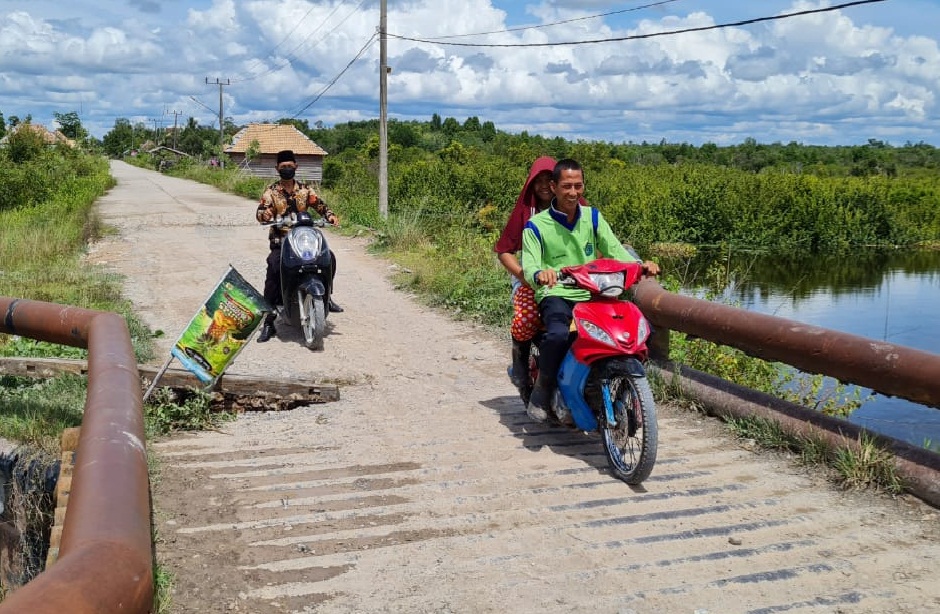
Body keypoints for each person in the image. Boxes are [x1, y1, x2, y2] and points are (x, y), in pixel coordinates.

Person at [521, 158, 660, 422]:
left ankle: (627, 389)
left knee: (640, 330)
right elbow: (530, 265)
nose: (573, 193)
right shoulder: (536, 226)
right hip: (557, 293)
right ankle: (542, 390)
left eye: (578, 186)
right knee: (559, 334)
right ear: (553, 187)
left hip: (593, 293)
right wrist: (541, 274)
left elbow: (616, 250)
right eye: (566, 186)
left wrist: (641, 266)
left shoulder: (593, 217)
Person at [255, 149, 343, 343]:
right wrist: (266, 215)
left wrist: (330, 216)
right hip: (282, 242)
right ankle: (269, 321)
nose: (287, 169)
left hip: (305, 240)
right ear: (277, 168)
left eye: (290, 166)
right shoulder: (271, 192)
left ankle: (326, 297)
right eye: (283, 167)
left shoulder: (305, 190)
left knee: (330, 258)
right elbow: (261, 212)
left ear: (296, 167)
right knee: (273, 266)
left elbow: (320, 205)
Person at [494, 156, 557, 395]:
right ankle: (520, 362)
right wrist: (523, 276)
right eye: (537, 181)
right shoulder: (525, 212)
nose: (543, 186)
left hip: (567, 276)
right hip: (530, 275)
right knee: (527, 318)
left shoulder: (575, 207)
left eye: (549, 179)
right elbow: (504, 250)